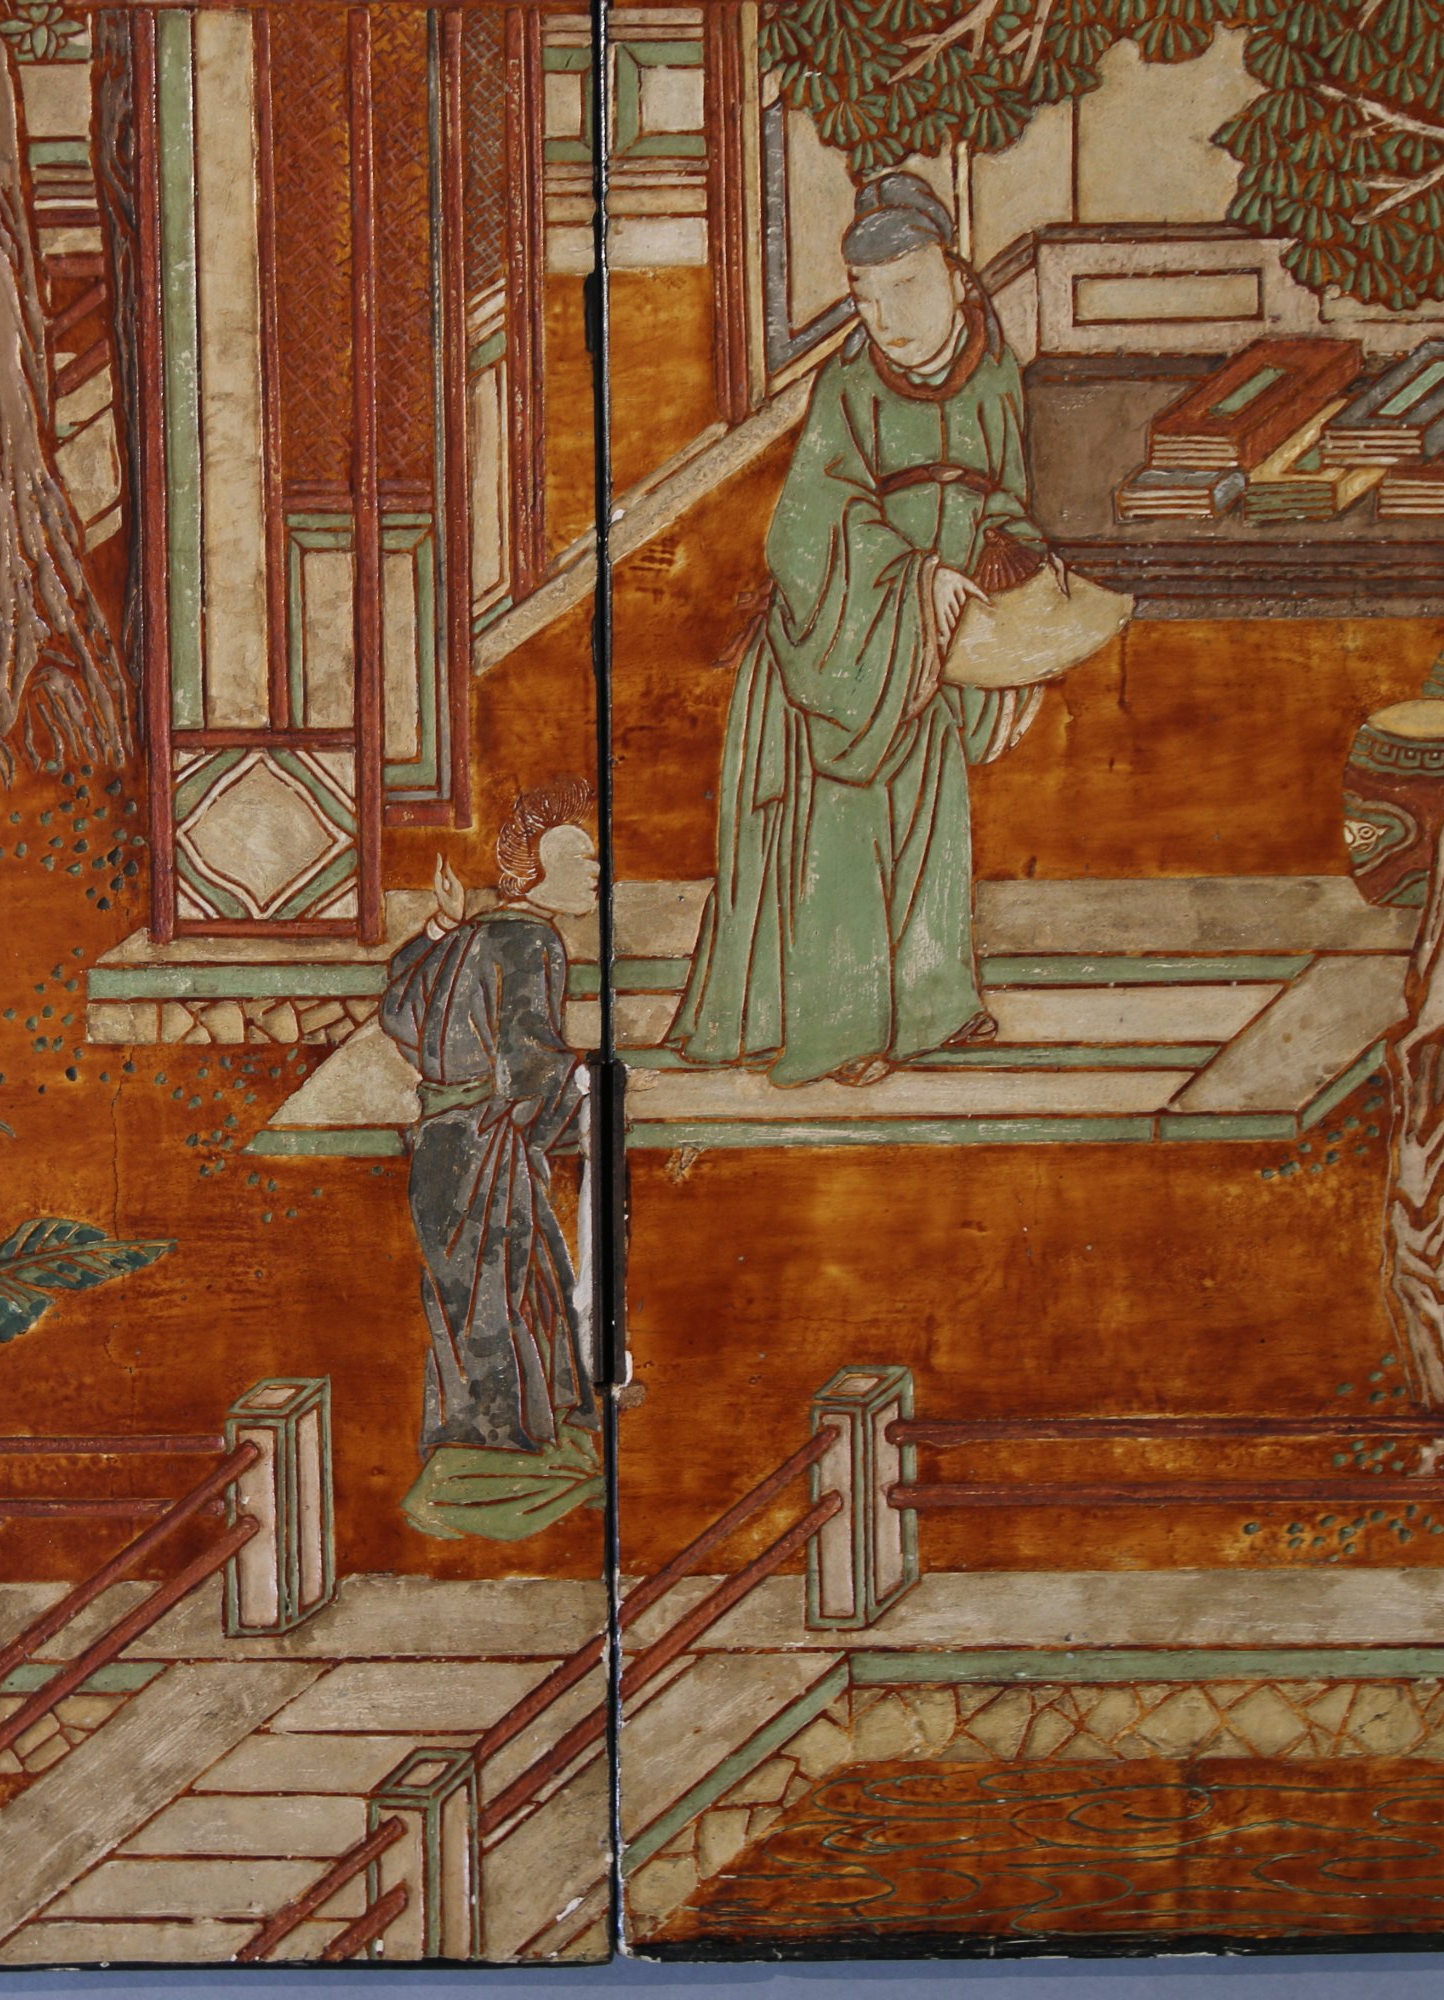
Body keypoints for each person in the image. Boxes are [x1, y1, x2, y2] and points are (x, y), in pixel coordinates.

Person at [665, 171, 1053, 1089]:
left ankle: (931, 1007)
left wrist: (1021, 587)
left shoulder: (997, 369)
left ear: (956, 275)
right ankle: (841, 1029)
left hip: (938, 644)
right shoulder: (847, 383)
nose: (886, 319)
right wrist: (915, 579)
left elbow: (1006, 497)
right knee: (848, 837)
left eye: (906, 288)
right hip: (845, 653)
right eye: (866, 297)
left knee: (931, 822)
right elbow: (809, 528)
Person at [377, 782, 602, 1540]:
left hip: (443, 1149)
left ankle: (496, 1452)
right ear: (531, 873)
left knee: (480, 1300)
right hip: (485, 1146)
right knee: (501, 1301)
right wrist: (591, 1086)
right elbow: (528, 1068)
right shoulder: (532, 941)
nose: (595, 872)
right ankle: (495, 1467)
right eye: (578, 859)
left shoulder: (473, 934)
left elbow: (399, 1008)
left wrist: (441, 924)